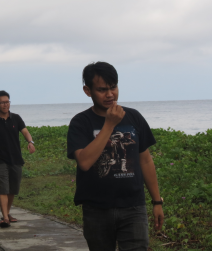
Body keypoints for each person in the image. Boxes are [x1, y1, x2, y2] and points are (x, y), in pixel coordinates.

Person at [67, 61, 164, 251]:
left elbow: (145, 160)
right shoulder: (80, 123)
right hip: (96, 209)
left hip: (133, 207)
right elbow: (85, 162)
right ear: (88, 91)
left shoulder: (134, 117)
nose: (110, 94)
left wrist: (157, 201)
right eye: (102, 89)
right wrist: (109, 125)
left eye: (113, 87)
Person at [0, 90, 36, 227]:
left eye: (7, 102)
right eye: (2, 102)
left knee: (13, 189)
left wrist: (30, 142)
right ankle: (5, 218)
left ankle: (6, 213)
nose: (5, 105)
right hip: (0, 159)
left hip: (16, 159)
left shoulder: (16, 118)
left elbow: (25, 131)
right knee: (3, 188)